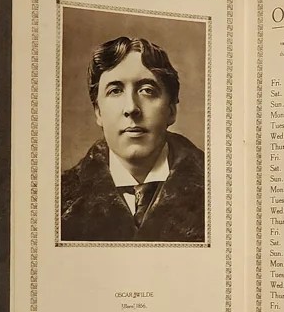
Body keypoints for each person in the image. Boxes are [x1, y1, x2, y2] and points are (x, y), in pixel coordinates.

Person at [60, 36, 205, 242]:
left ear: (171, 111)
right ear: (98, 112)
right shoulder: (59, 200)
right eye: (115, 91)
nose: (131, 108)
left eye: (147, 90)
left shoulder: (219, 191)